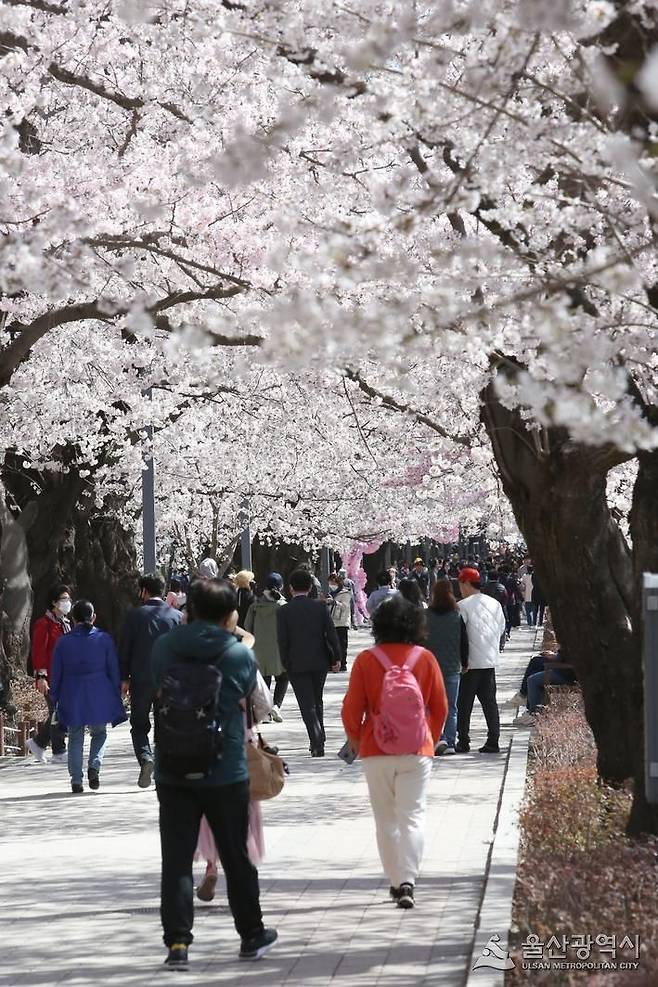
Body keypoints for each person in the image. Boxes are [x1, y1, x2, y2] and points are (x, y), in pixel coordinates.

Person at [151, 578, 277, 969]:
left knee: (175, 858)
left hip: (173, 768)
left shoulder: (165, 647)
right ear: (229, 615)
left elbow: (154, 687)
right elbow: (258, 704)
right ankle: (251, 935)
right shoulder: (237, 653)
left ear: (189, 610)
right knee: (236, 855)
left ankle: (177, 944)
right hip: (225, 770)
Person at [341, 596, 447, 909]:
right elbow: (440, 707)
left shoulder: (366, 659)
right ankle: (408, 881)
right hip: (417, 749)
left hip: (376, 749)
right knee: (412, 816)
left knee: (385, 819)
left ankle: (393, 881)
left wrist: (356, 738)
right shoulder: (425, 658)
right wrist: (430, 739)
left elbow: (351, 709)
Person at [49, 600, 127, 793]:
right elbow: (113, 669)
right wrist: (116, 692)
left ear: (73, 619)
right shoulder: (104, 639)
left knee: (75, 736)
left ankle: (76, 779)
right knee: (99, 734)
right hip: (98, 692)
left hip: (72, 692)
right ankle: (94, 766)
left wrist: (55, 696)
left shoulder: (63, 642)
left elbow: (56, 672)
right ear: (93, 617)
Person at [120, 573, 182, 788]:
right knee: (165, 725)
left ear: (144, 591)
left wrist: (123, 678)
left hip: (141, 678)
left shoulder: (134, 616)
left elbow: (126, 648)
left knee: (139, 725)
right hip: (168, 680)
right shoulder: (175, 616)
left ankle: (146, 758)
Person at [276, 568, 341, 757]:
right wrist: (336, 657)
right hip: (319, 660)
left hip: (296, 662)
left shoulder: (284, 611)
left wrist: (285, 661)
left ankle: (316, 739)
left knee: (306, 703)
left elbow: (283, 639)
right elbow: (331, 634)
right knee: (316, 700)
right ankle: (318, 738)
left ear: (290, 589)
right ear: (311, 587)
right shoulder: (320, 607)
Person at [456, 567, 506, 754]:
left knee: (464, 704)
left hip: (470, 664)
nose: (460, 588)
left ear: (467, 583)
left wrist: (461, 661)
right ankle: (493, 740)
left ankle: (463, 741)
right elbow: (502, 628)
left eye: (460, 584)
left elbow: (459, 636)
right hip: (490, 660)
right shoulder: (495, 604)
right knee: (490, 703)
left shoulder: (463, 606)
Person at [26, 584, 72, 763]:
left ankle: (38, 743)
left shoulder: (66, 623)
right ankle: (59, 751)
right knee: (58, 712)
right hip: (51, 677)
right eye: (63, 599)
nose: (67, 602)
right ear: (54, 602)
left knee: (60, 712)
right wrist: (41, 677)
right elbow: (39, 652)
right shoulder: (43, 624)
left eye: (68, 599)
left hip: (65, 676)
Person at [425, 580, 469, 755]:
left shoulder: (425, 615)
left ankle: (435, 738)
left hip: (430, 668)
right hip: (452, 668)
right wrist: (465, 663)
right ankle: (450, 742)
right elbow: (463, 642)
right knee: (451, 707)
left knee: (430, 707)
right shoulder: (456, 616)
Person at [243, 573, 288, 722]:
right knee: (283, 678)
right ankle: (276, 706)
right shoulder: (283, 606)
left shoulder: (255, 606)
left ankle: (266, 711)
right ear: (281, 586)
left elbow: (247, 627)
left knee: (265, 681)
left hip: (260, 650)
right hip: (278, 650)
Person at [327, 572, 353, 671]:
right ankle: (333, 663)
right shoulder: (331, 593)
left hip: (342, 621)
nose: (331, 586)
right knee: (332, 644)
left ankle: (343, 663)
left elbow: (345, 606)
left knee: (342, 644)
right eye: (330, 583)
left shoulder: (345, 593)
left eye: (332, 583)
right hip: (332, 621)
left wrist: (334, 602)